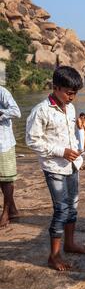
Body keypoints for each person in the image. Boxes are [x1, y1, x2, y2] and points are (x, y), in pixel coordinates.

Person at [26, 66, 85, 272]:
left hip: (72, 164)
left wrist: (76, 151)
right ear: (56, 87)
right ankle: (54, 255)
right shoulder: (41, 110)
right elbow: (32, 140)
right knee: (61, 209)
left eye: (75, 93)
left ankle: (69, 243)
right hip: (54, 167)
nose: (72, 97)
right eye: (69, 93)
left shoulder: (69, 108)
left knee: (73, 205)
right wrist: (60, 151)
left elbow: (70, 133)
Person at [0, 86, 21, 228]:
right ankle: (13, 210)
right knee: (1, 179)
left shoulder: (2, 92)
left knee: (7, 179)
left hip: (3, 143)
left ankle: (6, 212)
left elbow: (16, 112)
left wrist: (1, 113)